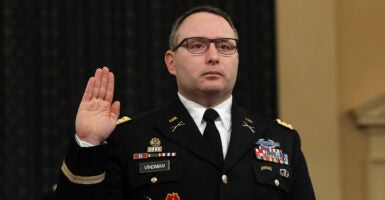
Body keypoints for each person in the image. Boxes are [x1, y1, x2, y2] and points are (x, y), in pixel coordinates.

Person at [54, 5, 315, 200]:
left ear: (237, 58)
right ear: (171, 61)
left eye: (225, 46)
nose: (213, 56)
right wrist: (87, 144)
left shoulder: (281, 139)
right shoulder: (130, 138)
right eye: (197, 45)